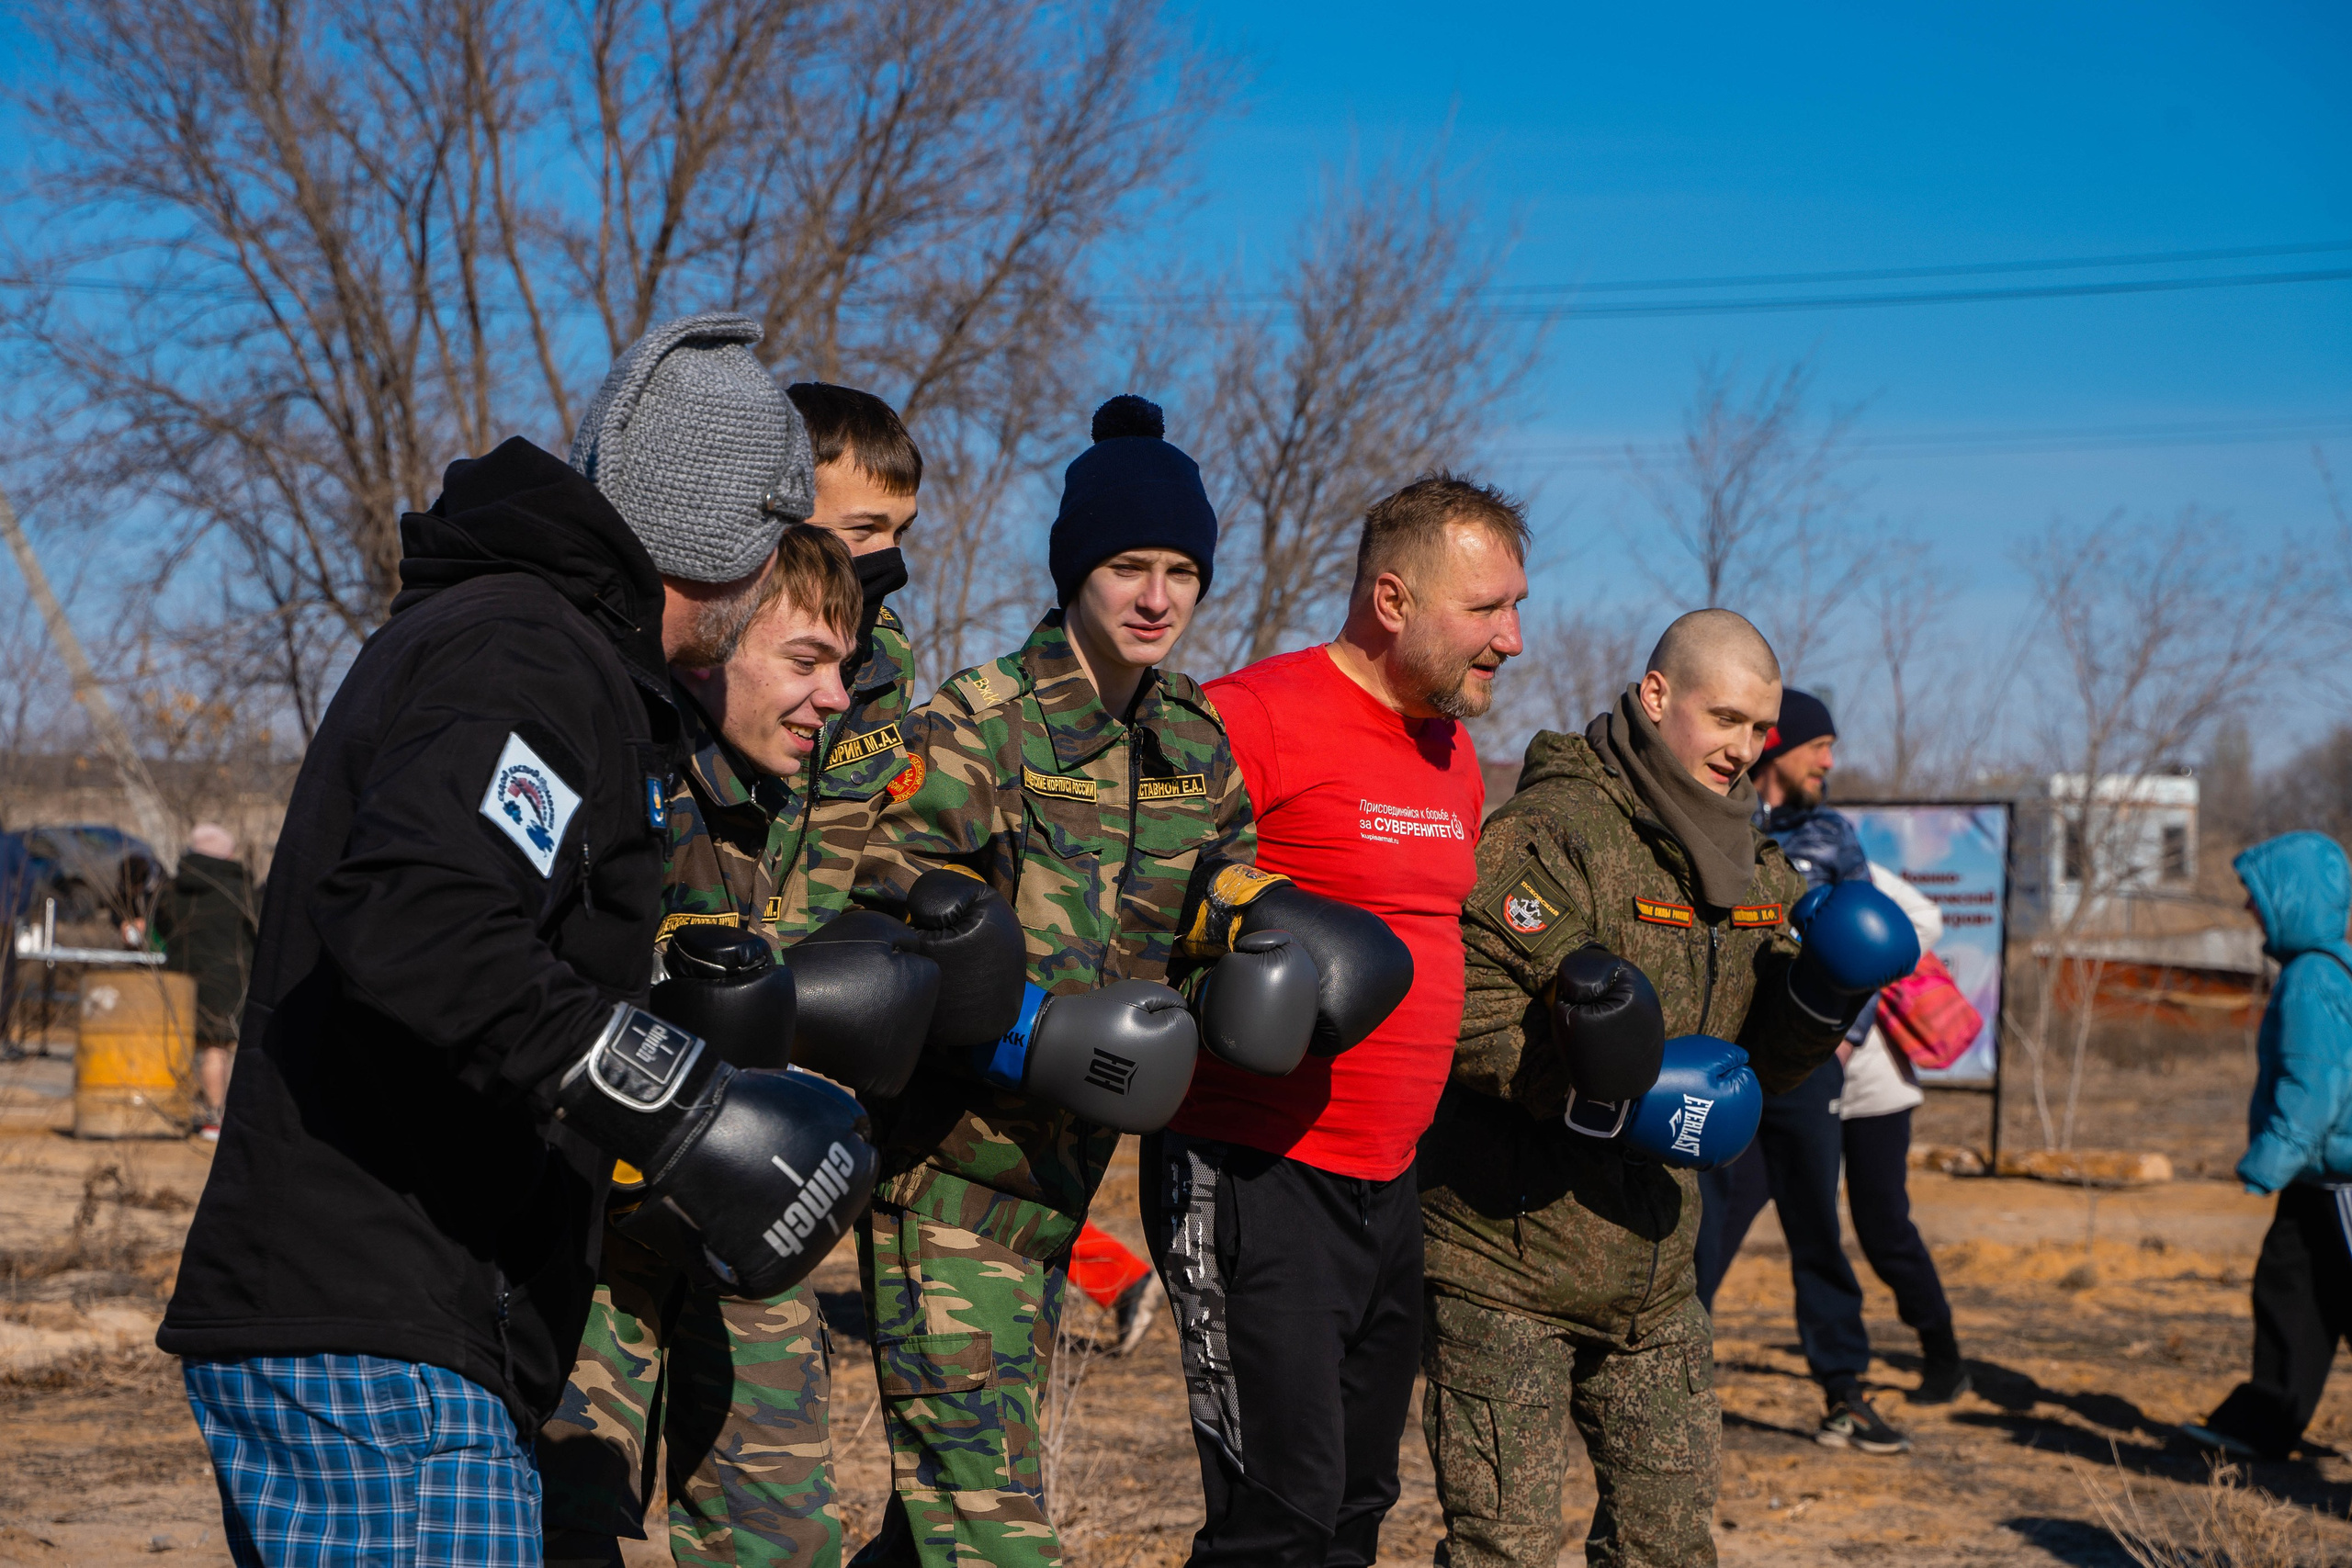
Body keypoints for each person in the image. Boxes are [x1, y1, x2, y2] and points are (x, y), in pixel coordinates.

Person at [159, 313, 886, 1563]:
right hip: (380, 1346)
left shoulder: (537, 648)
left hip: (408, 1334)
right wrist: (683, 1105)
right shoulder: (528, 652)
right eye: (778, 544)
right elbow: (423, 917)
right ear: (733, 534)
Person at [842, 395, 1400, 1566]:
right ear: (1075, 572)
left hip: (1064, 1187)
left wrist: (1277, 938)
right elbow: (881, 921)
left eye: (1181, 572)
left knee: (936, 1516)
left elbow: (1212, 886)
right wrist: (1028, 1030)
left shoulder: (1191, 738)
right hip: (950, 1179)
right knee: (989, 1528)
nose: (1156, 598)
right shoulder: (981, 725)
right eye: (1127, 567)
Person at [1423, 611, 1872, 1568]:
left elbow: (1760, 1069)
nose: (1744, 749)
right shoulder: (1558, 831)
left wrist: (1822, 998)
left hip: (1657, 1273)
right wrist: (1603, 1092)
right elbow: (1463, 1005)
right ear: (1657, 695)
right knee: (1504, 1550)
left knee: (1667, 1547)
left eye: (1761, 729)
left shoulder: (1755, 864)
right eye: (1726, 719)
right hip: (1506, 1265)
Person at [1143, 472, 1525, 1567]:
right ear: (1392, 600)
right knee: (1277, 1521)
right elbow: (1143, 906)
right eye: (1485, 609)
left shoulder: (1451, 751)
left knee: (1358, 1503)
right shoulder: (1250, 715)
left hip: (1389, 1180)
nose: (1510, 639)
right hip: (1255, 1172)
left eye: (1515, 607)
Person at [1692, 691, 1958, 1452]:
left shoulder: (1831, 834)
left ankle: (1846, 1391)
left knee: (1818, 1228)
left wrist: (1843, 1039)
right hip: (1724, 1062)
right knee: (1702, 1227)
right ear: (1778, 748)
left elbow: (1872, 944)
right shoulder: (1717, 821)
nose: (1830, 763)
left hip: (1805, 1067)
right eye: (1820, 748)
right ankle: (1670, 1378)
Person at [2181, 829, 2352, 1463]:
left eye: (2258, 894)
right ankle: (2261, 1422)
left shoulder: (2312, 978)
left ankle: (2262, 1421)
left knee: (2311, 1292)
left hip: (2337, 1180)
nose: (2249, 906)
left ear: (2292, 898)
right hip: (2319, 1177)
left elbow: (2315, 1085)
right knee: (2290, 1291)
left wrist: (2269, 1160)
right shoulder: (2327, 967)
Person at [151, 821, 258, 1140]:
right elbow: (260, 930)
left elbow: (159, 928)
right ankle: (215, 1118)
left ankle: (192, 1111)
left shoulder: (171, 889)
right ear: (227, 854)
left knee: (188, 1047)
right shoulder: (241, 891)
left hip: (181, 979)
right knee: (217, 1050)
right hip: (230, 980)